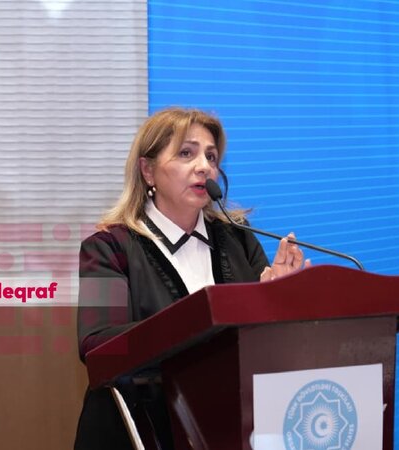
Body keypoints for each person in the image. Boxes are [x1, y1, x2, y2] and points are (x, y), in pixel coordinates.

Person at [74, 107, 309, 449]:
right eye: (186, 153)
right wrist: (194, 323)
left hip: (226, 427)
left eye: (211, 156)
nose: (204, 167)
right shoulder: (106, 247)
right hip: (139, 431)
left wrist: (275, 300)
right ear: (148, 170)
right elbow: (97, 345)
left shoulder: (239, 238)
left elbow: (261, 347)